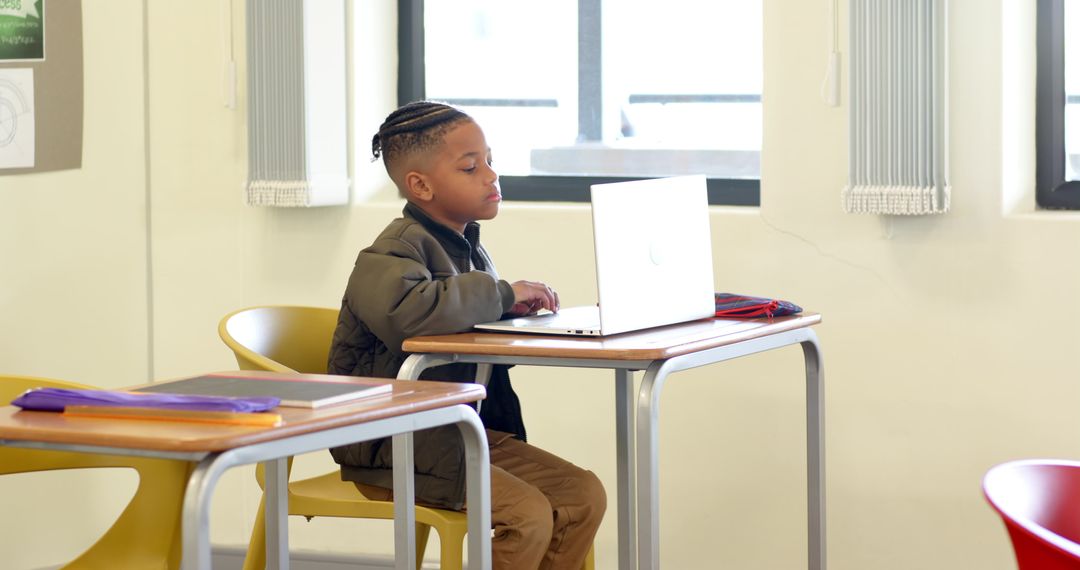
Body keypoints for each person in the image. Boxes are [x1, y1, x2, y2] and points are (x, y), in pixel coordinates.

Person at [327, 100, 606, 570]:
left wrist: (511, 313)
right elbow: (409, 313)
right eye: (471, 167)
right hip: (394, 444)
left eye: (491, 161)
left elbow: (459, 325)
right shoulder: (392, 250)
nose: (491, 176)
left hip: (457, 432)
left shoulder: (467, 248)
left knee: (582, 495)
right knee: (528, 516)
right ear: (421, 185)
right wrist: (500, 295)